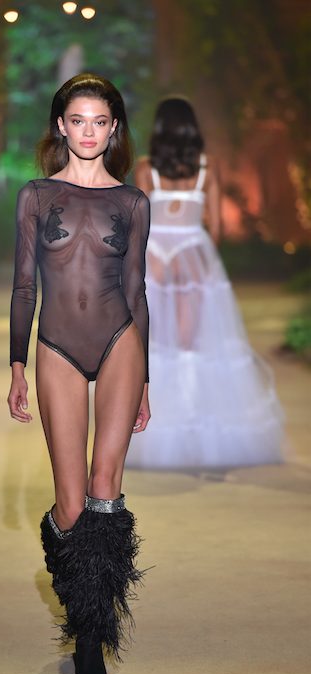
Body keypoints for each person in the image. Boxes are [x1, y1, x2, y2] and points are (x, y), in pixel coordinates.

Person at [7, 73, 150, 674]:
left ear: (113, 129)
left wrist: (146, 379)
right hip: (57, 346)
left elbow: (138, 291)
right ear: (61, 127)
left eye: (100, 121)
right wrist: (16, 364)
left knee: (104, 488)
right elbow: (24, 286)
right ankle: (76, 591)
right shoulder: (36, 196)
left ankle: (92, 636)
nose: (89, 131)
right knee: (69, 505)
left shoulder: (133, 202)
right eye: (78, 120)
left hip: (121, 341)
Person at [126, 96, 284, 470]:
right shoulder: (207, 168)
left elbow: (140, 222)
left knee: (153, 346)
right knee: (191, 345)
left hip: (155, 257)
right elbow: (215, 226)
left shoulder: (146, 169)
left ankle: (158, 430)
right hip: (193, 255)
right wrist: (201, 254)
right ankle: (194, 426)